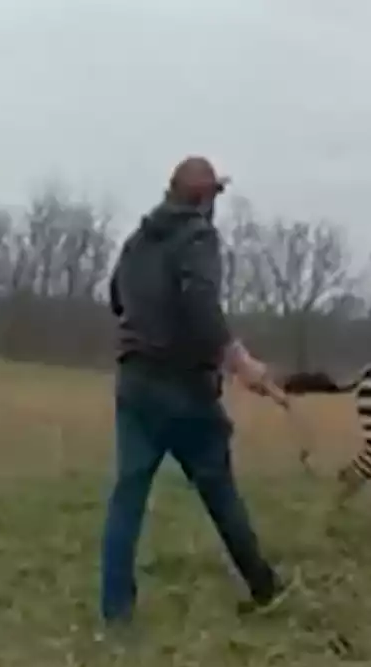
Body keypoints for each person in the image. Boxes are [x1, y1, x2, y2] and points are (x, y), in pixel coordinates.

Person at [100, 156, 291, 628]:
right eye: (216, 196)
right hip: (183, 387)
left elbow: (116, 298)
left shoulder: (137, 241)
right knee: (219, 490)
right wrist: (239, 360)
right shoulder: (199, 238)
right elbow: (202, 305)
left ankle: (116, 613)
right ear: (204, 198)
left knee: (128, 495)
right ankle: (264, 588)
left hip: (135, 383)